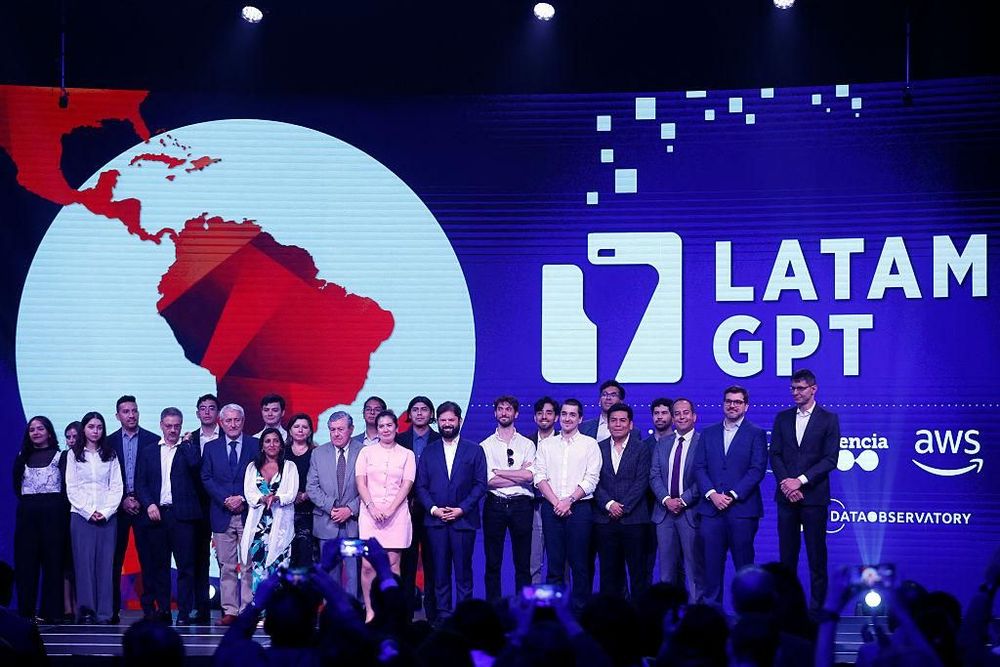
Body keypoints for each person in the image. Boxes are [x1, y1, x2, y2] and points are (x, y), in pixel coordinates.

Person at [770, 369, 839, 609]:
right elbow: (775, 455)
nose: (796, 392)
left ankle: (817, 609)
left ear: (813, 389)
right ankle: (787, 609)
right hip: (786, 496)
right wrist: (787, 484)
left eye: (800, 388)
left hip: (814, 497)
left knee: (816, 557)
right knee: (787, 558)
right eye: (793, 388)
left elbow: (830, 459)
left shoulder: (829, 419)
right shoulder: (782, 418)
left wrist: (800, 481)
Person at [694, 386, 768, 607]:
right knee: (711, 568)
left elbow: (757, 469)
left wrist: (733, 495)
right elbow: (699, 467)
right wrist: (712, 494)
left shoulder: (756, 433)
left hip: (742, 511)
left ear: (746, 405)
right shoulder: (708, 433)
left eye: (737, 401)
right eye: (728, 401)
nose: (732, 405)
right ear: (723, 403)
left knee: (745, 569)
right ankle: (711, 619)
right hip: (711, 511)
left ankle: (749, 615)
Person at [415, 401, 487, 623]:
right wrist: (435, 510)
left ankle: (465, 619)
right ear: (438, 423)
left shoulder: (475, 450)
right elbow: (421, 486)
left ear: (460, 421)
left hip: (463, 521)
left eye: (451, 420)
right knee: (439, 574)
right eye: (443, 420)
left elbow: (480, 485)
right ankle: (443, 617)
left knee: (464, 574)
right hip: (435, 522)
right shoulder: (429, 451)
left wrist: (461, 509)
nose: (447, 424)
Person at [135, 407, 202, 624]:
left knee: (186, 566)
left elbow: (195, 467)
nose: (173, 430)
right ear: (161, 425)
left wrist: (187, 445)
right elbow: (140, 482)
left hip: (182, 516)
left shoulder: (190, 448)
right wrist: (149, 504)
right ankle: (163, 609)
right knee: (159, 566)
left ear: (181, 426)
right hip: (157, 515)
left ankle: (184, 612)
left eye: (177, 426)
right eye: (169, 425)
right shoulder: (148, 451)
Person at [534, 398, 601, 614]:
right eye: (564, 414)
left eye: (572, 415)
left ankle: (581, 613)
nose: (567, 418)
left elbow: (592, 479)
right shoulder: (546, 445)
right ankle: (554, 614)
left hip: (579, 509)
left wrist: (569, 500)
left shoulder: (589, 444)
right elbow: (539, 476)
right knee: (554, 565)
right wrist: (557, 503)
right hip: (551, 508)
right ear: (558, 417)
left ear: (580, 418)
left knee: (580, 564)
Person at [200, 403, 260, 625]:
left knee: (248, 564)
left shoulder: (255, 445)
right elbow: (206, 477)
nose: (233, 424)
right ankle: (230, 611)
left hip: (248, 513)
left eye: (237, 420)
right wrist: (226, 499)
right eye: (228, 421)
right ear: (220, 422)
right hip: (221, 513)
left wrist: (242, 498)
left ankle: (246, 609)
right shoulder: (211, 448)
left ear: (243, 422)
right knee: (226, 566)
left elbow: (261, 476)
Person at [355, 409, 416, 620]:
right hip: (369, 514)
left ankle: (391, 613)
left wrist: (390, 509)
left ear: (397, 428)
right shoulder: (365, 452)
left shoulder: (407, 454)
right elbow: (360, 481)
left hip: (396, 515)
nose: (385, 429)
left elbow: (407, 484)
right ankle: (371, 612)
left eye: (389, 425)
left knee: (392, 564)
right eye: (381, 426)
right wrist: (372, 507)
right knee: (367, 565)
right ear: (376, 429)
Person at [66, 411, 123, 624]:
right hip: (81, 516)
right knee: (83, 565)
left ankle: (105, 613)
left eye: (99, 427)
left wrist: (106, 511)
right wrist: (89, 511)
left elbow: (116, 486)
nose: (96, 431)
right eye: (91, 427)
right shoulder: (74, 454)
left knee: (105, 565)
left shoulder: (110, 454)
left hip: (108, 517)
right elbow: (72, 488)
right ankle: (87, 611)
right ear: (84, 429)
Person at [107, 395, 160, 623]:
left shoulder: (153, 440)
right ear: (117, 416)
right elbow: (104, 480)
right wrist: (122, 501)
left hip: (143, 506)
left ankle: (149, 608)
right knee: (113, 561)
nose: (131, 415)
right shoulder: (107, 442)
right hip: (117, 509)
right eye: (126, 411)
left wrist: (140, 499)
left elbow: (155, 478)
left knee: (148, 560)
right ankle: (111, 609)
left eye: (134, 410)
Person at [480, 395, 536, 603]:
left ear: (516, 414)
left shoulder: (527, 444)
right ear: (495, 413)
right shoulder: (485, 446)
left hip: (522, 506)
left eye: (508, 409)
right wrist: (517, 475)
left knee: (523, 563)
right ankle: (493, 608)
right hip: (494, 505)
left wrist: (500, 472)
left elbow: (530, 477)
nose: (504, 412)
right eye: (500, 409)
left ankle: (524, 606)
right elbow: (488, 481)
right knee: (493, 562)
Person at [593, 402, 652, 599]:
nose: (618, 424)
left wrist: (623, 507)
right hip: (605, 520)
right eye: (613, 420)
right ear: (607, 424)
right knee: (609, 574)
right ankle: (610, 619)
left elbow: (642, 481)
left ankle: (640, 619)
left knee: (638, 573)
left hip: (634, 520)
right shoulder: (597, 448)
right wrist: (609, 504)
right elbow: (593, 480)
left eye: (622, 420)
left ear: (631, 424)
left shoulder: (642, 448)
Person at [13, 415, 68, 622]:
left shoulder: (60, 457)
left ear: (49, 432)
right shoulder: (22, 457)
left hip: (54, 514)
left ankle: (51, 612)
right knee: (26, 564)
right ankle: (26, 612)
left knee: (53, 563)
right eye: (32, 430)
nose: (35, 432)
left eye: (40, 429)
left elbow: (65, 487)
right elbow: (16, 487)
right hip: (28, 514)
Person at [649, 397, 702, 604]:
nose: (681, 417)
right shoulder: (662, 443)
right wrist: (665, 500)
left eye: (685, 412)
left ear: (694, 416)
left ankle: (697, 615)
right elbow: (654, 475)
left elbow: (703, 476)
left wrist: (683, 500)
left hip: (690, 513)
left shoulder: (703, 442)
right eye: (677, 413)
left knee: (694, 570)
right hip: (664, 514)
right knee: (666, 573)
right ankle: (667, 615)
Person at [307, 411, 363, 598]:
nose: (336, 434)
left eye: (340, 429)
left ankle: (352, 613)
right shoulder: (318, 453)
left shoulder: (363, 452)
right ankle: (332, 615)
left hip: (353, 524)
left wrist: (350, 510)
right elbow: (312, 487)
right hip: (326, 522)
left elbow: (370, 487)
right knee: (330, 573)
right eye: (332, 430)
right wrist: (332, 508)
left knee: (353, 574)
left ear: (351, 430)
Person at [397, 395, 441, 621]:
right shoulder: (399, 439)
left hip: (434, 510)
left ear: (431, 414)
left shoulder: (441, 439)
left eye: (425, 409)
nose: (420, 413)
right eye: (415, 409)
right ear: (409, 414)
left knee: (434, 564)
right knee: (407, 565)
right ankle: (404, 616)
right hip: (405, 510)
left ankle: (434, 615)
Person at [242, 427, 299, 597]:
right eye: (267, 441)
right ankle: (260, 612)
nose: (272, 444)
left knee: (280, 571)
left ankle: (279, 614)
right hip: (258, 529)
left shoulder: (289, 467)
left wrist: (276, 498)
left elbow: (291, 493)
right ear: (262, 446)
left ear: (281, 445)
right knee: (259, 571)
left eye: (276, 441)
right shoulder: (252, 467)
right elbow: (249, 493)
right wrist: (262, 499)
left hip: (281, 528)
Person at [186, 392, 220, 624]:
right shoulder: (188, 439)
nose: (207, 411)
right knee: (198, 558)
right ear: (197, 413)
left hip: (221, 504)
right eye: (203, 408)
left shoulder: (228, 436)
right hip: (196, 507)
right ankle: (201, 607)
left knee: (227, 559)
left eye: (211, 407)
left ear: (217, 412)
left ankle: (234, 608)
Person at [642, 398, 674, 585]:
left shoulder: (682, 444)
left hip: (676, 511)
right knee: (645, 563)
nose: (660, 417)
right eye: (656, 413)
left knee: (676, 565)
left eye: (664, 413)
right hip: (646, 513)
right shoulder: (642, 446)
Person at [527, 396, 558, 585]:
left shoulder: (566, 441)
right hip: (533, 507)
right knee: (533, 562)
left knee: (560, 562)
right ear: (534, 418)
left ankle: (562, 607)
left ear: (556, 418)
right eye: (540, 413)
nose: (544, 417)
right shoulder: (526, 443)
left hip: (559, 507)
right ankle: (534, 608)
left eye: (548, 413)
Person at [284, 413, 317, 566]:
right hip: (284, 511)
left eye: (305, 427)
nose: (300, 430)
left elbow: (322, 481)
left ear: (310, 431)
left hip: (309, 512)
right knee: (287, 559)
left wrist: (304, 495)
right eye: (296, 426)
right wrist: (290, 496)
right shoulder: (281, 452)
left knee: (305, 558)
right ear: (290, 430)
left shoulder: (317, 453)